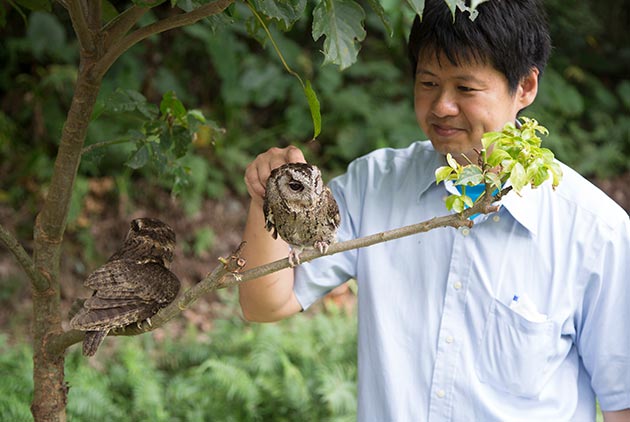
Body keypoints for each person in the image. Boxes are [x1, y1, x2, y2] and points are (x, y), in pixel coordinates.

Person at [239, 0, 630, 420]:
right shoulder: (374, 186)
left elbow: (621, 401)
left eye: (465, 88)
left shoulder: (594, 232)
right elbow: (265, 303)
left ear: (526, 87)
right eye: (428, 83)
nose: (442, 106)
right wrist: (271, 196)